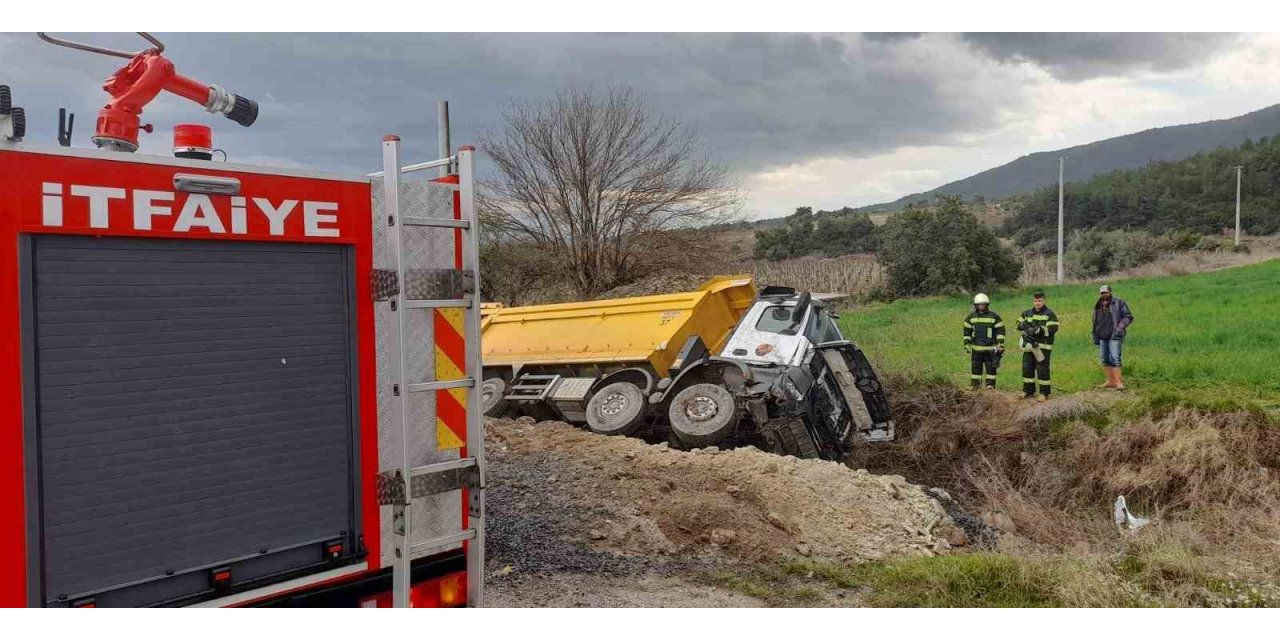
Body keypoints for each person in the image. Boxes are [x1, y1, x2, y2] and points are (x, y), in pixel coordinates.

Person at [1016, 291, 1060, 401]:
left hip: (1041, 347)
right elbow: (1018, 323)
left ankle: (1044, 393)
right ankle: (1028, 391)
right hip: (1028, 346)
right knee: (1027, 368)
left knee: (1042, 369)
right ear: (1033, 301)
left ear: (1044, 301)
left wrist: (1039, 329)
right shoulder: (1027, 313)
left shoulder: (1049, 314)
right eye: (1035, 301)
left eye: (1039, 301)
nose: (1037, 303)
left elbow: (1053, 329)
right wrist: (1022, 325)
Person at [1092, 284, 1134, 390]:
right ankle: (1110, 381)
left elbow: (1128, 316)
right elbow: (1095, 320)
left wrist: (1119, 328)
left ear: (1110, 292)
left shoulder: (1119, 302)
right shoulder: (1098, 304)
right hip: (1102, 335)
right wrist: (1095, 333)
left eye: (1106, 292)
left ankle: (1118, 382)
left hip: (1114, 335)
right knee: (1104, 359)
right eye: (1102, 293)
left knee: (1115, 358)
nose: (1104, 294)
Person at [963, 293, 1005, 390]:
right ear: (976, 305)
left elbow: (1000, 331)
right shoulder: (971, 317)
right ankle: (975, 385)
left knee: (991, 368)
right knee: (976, 368)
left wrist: (1000, 343)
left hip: (990, 349)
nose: (981, 306)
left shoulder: (994, 317)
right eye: (979, 304)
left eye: (983, 304)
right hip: (976, 349)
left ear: (987, 305)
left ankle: (990, 385)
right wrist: (966, 344)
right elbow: (967, 332)